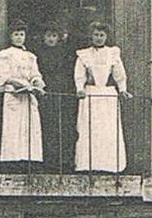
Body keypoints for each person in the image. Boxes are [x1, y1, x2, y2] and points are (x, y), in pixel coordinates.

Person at [73, 23, 128, 172]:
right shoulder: (84, 55)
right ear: (91, 35)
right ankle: (88, 165)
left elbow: (119, 75)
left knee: (107, 130)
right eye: (96, 35)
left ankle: (109, 165)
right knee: (89, 129)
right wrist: (80, 89)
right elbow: (79, 75)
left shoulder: (112, 54)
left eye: (102, 35)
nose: (99, 38)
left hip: (107, 95)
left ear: (106, 37)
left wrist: (122, 90)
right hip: (90, 93)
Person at [0, 22, 45, 163]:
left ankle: (30, 160)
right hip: (14, 96)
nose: (19, 38)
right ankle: (12, 161)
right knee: (13, 127)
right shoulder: (5, 55)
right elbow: (1, 77)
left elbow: (35, 74)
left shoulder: (30, 56)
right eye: (16, 34)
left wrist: (37, 83)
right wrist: (16, 83)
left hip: (28, 97)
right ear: (11, 36)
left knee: (30, 129)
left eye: (21, 35)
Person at [32, 26, 75, 171]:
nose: (51, 39)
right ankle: (47, 162)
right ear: (43, 37)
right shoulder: (37, 54)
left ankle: (64, 162)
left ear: (59, 38)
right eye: (48, 35)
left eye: (54, 36)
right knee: (47, 126)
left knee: (64, 127)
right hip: (46, 93)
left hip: (62, 93)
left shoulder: (65, 53)